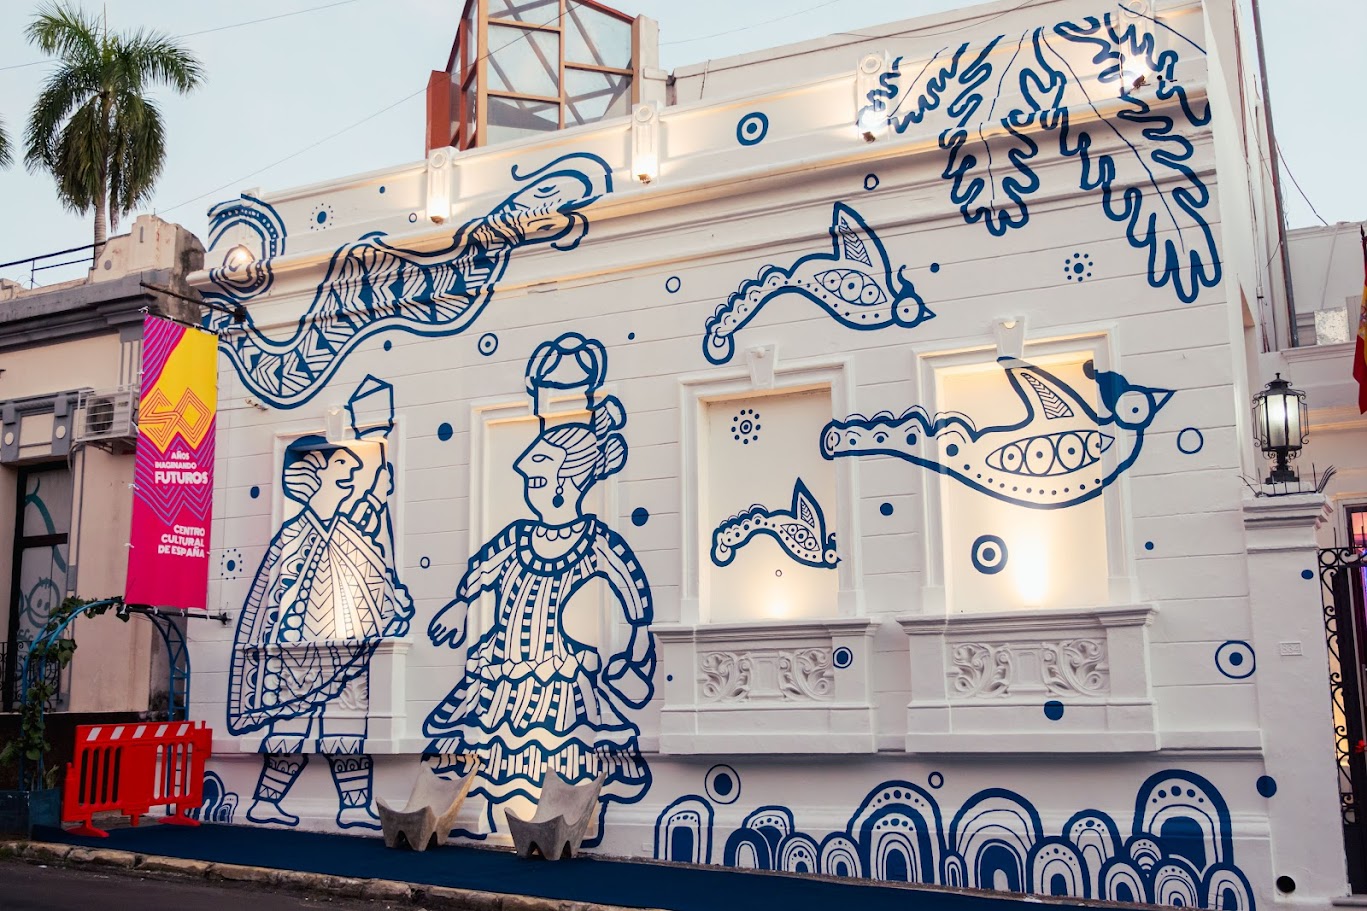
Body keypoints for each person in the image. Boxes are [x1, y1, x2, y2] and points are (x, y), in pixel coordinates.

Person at [423, 386, 655, 844]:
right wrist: (461, 603)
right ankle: (503, 822)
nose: (531, 490)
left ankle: (556, 824)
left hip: (556, 669)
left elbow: (629, 581)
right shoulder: (518, 536)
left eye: (538, 481)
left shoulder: (592, 540)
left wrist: (639, 637)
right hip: (502, 663)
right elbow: (483, 568)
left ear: (567, 484)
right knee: (498, 749)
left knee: (557, 751)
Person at [227, 431, 413, 828]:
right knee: (292, 729)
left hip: (347, 652)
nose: (354, 469)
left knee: (347, 731)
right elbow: (271, 598)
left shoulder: (350, 535)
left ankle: (353, 806)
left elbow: (376, 576)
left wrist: (392, 600)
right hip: (299, 654)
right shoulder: (293, 536)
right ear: (315, 472)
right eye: (342, 463)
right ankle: (265, 802)